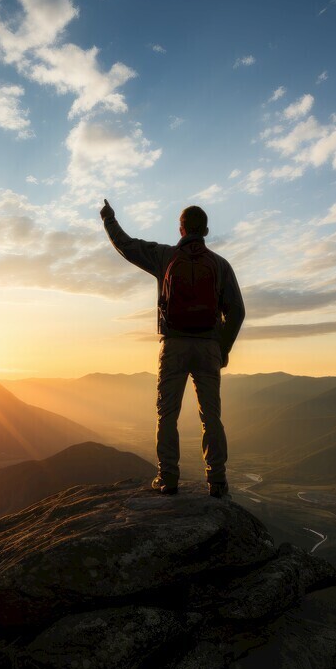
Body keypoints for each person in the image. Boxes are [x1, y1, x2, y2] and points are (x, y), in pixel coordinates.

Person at [100, 199, 245, 498]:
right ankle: (217, 480)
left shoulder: (164, 256)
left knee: (167, 414)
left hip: (173, 345)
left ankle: (168, 478)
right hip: (208, 348)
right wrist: (223, 348)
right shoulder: (220, 264)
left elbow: (126, 245)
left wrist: (109, 218)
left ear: (180, 229)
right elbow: (237, 311)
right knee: (211, 416)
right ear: (205, 230)